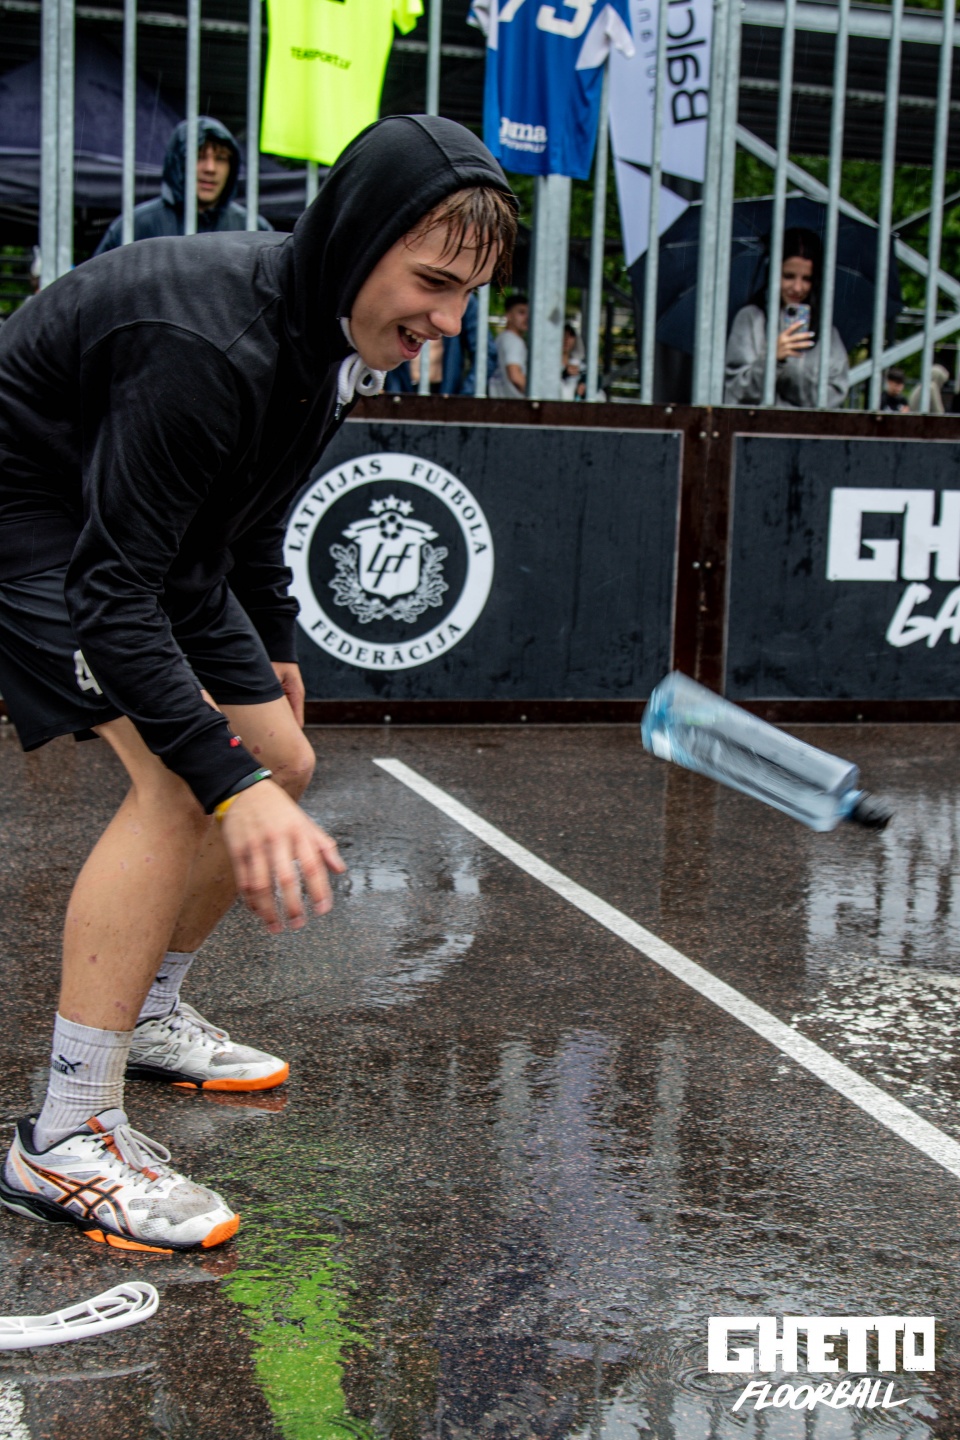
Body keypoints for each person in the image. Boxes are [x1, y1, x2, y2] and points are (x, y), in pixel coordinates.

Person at [0, 115, 517, 1253]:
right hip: (33, 517)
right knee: (186, 784)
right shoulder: (209, 341)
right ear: (357, 242)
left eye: (469, 295)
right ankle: (65, 1133)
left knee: (280, 757)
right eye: (433, 283)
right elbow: (112, 592)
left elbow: (254, 505)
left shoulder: (330, 334)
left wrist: (271, 645)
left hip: (139, 532)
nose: (447, 322)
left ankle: (143, 1017)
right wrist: (224, 784)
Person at [94, 116, 271, 254]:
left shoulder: (254, 229)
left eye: (221, 158)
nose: (210, 168)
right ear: (178, 163)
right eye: (199, 157)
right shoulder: (137, 226)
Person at [723, 228, 849, 409]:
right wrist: (772, 359)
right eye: (788, 276)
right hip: (756, 425)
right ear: (773, 273)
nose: (797, 288)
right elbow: (737, 392)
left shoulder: (827, 332)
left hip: (806, 427)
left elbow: (833, 399)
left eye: (806, 279)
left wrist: (790, 372)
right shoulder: (751, 319)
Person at [489, 291, 528, 398]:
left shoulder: (502, 338)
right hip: (514, 402)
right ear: (508, 315)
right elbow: (515, 375)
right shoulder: (513, 341)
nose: (527, 318)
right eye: (521, 312)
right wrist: (536, 394)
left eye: (528, 313)